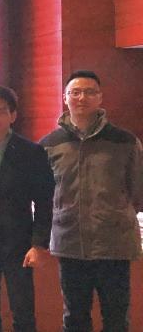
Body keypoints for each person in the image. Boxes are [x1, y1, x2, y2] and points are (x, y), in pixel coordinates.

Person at [40, 70, 143, 332]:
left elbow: (138, 190)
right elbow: (43, 195)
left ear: (100, 97)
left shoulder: (124, 141)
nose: (82, 98)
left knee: (116, 318)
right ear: (65, 97)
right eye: (75, 92)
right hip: (70, 244)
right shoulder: (49, 144)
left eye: (89, 92)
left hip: (114, 244)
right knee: (74, 318)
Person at [0, 86, 54, 332]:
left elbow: (45, 201)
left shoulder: (32, 152)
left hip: (18, 244)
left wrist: (38, 244)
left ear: (13, 115)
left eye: (1, 111)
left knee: (22, 311)